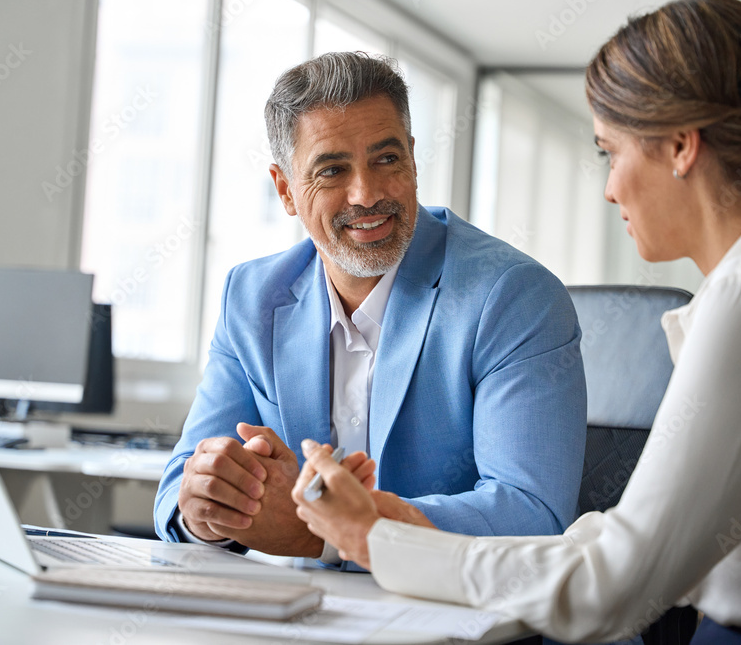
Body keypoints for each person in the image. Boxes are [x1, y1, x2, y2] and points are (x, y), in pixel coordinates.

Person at [292, 0, 741, 642]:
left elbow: (614, 581)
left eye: (609, 152)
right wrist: (399, 527)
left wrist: (372, 541)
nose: (610, 187)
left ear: (680, 146)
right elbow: (624, 544)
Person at [153, 52, 588, 566]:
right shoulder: (252, 297)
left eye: (387, 159)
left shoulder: (512, 296)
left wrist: (337, 534)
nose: (367, 194)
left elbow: (532, 514)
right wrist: (208, 509)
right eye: (332, 170)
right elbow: (178, 490)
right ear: (286, 190)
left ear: (413, 161)